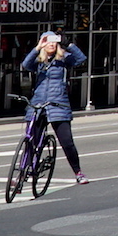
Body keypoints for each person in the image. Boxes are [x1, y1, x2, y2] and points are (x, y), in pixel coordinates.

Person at [20, 31, 89, 183]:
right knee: (31, 140)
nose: (51, 44)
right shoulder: (38, 61)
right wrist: (38, 48)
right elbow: (25, 64)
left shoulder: (64, 59)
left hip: (59, 105)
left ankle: (78, 172)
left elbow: (81, 59)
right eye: (47, 41)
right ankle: (23, 172)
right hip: (38, 104)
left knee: (67, 142)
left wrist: (69, 45)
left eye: (54, 41)